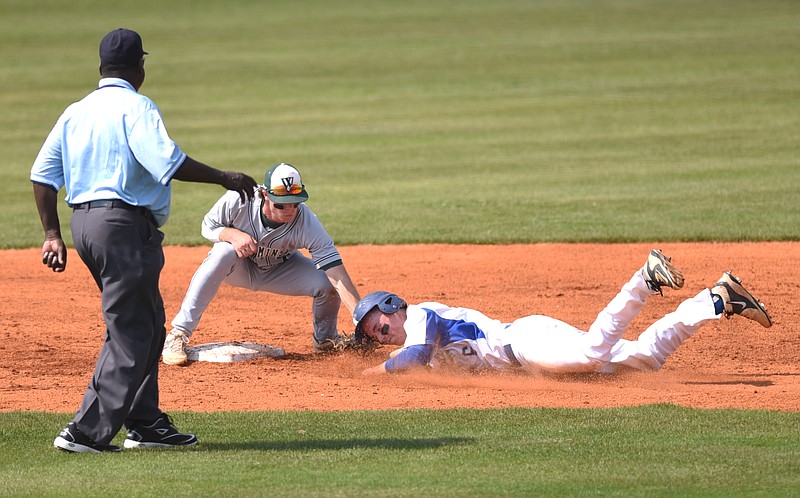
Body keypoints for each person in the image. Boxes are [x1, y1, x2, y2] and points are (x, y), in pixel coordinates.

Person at [30, 28, 258, 453]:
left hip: (87, 229)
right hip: (122, 229)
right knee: (133, 330)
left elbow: (43, 176)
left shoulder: (75, 111)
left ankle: (145, 422)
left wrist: (51, 234)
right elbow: (167, 162)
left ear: (102, 68)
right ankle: (84, 432)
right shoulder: (136, 107)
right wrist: (224, 177)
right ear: (139, 67)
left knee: (148, 324)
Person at [352, 249, 773, 376]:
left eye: (378, 324)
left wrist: (375, 373)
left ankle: (644, 279)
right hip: (534, 363)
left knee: (593, 352)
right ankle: (716, 301)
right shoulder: (416, 346)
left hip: (527, 341)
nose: (380, 334)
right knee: (646, 361)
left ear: (394, 307)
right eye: (373, 336)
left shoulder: (422, 316)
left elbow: (416, 356)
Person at [161, 162, 361, 366]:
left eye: (294, 203)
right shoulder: (239, 200)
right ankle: (178, 334)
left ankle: (326, 340)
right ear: (265, 194)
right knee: (223, 250)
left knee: (326, 282)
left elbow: (335, 270)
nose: (289, 210)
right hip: (238, 267)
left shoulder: (305, 220)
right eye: (281, 204)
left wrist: (361, 318)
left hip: (281, 270)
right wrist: (231, 234)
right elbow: (208, 226)